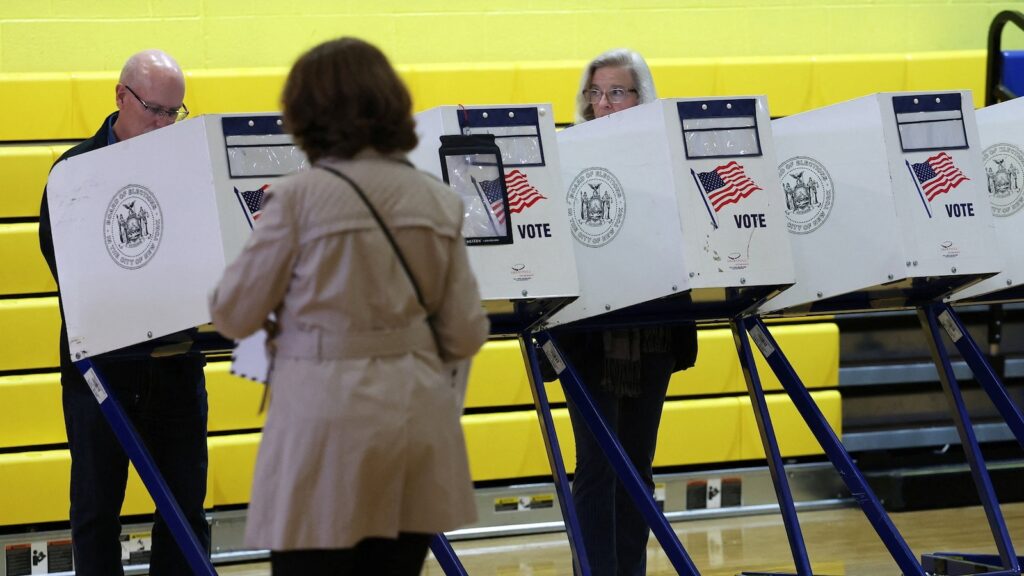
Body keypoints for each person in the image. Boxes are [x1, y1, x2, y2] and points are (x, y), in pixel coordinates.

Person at [209, 37, 489, 576]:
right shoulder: (438, 199)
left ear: (306, 113)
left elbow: (233, 312)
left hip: (325, 423)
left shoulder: (298, 198)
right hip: (415, 420)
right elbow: (465, 332)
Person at [38, 50, 209, 575]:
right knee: (96, 512)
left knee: (184, 510)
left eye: (173, 113)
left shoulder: (189, 171)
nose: (163, 125)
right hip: (101, 367)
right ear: (120, 97)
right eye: (154, 110)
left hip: (174, 363)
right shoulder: (73, 173)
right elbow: (63, 264)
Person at [560, 48, 699, 576]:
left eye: (617, 92)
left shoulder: (666, 158)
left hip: (653, 330)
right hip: (589, 336)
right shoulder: (567, 156)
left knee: (637, 465)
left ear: (642, 97)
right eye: (596, 93)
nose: (604, 103)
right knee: (596, 466)